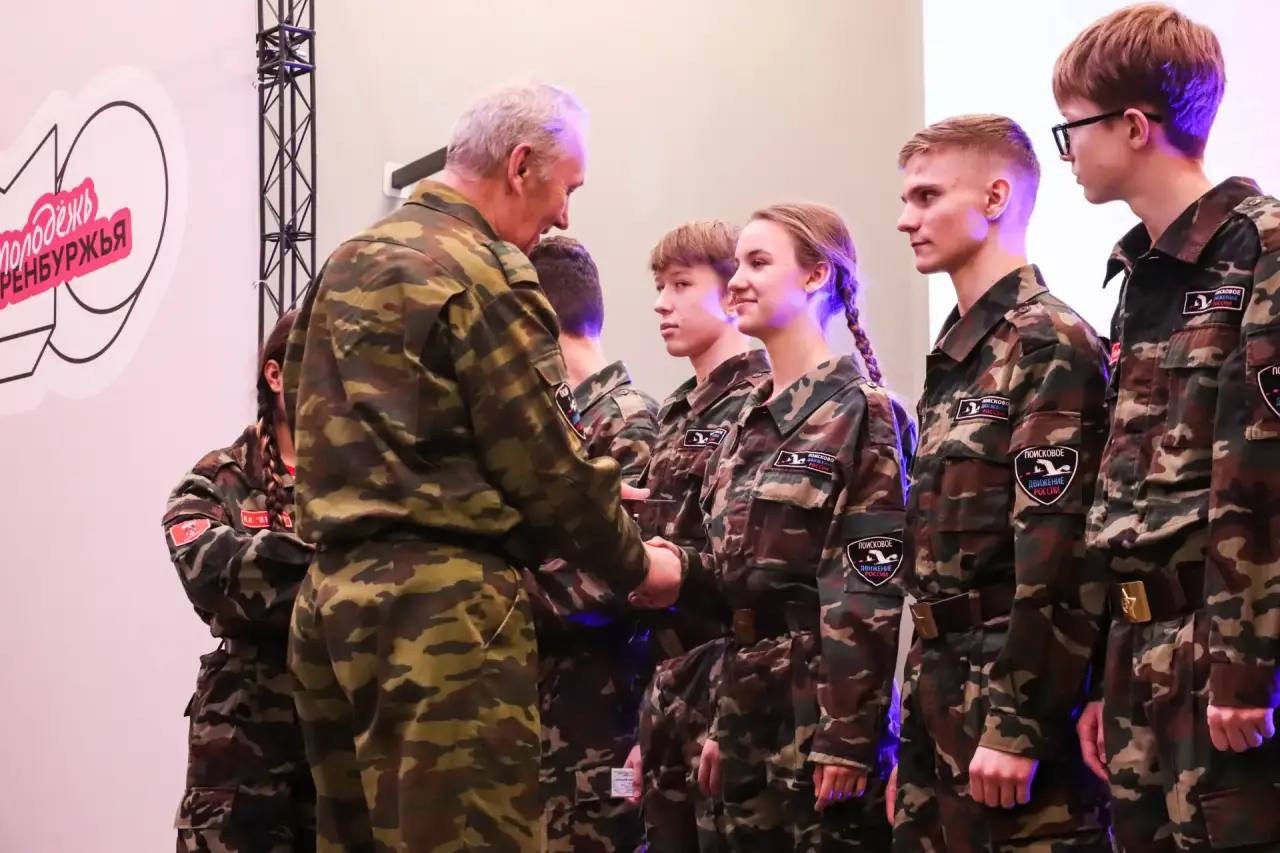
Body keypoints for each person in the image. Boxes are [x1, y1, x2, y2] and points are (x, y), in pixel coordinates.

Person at [281, 81, 683, 851]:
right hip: (441, 615)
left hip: (331, 608)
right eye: (567, 189)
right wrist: (639, 563)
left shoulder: (346, 261)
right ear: (521, 165)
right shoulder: (485, 270)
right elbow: (540, 461)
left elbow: (304, 419)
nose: (564, 217)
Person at [1053, 5, 1280, 850]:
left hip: (1222, 652)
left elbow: (1263, 470)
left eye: (1072, 128)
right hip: (1138, 651)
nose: (1068, 151)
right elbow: (1124, 489)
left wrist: (1247, 664)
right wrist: (1101, 676)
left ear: (1134, 126)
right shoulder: (1140, 274)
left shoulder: (1263, 248)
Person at [646, 203, 913, 850]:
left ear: (817, 275)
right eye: (737, 263)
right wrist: (721, 718)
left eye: (758, 263)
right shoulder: (745, 420)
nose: (737, 280)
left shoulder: (862, 412)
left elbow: (866, 589)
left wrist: (848, 738)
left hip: (816, 718)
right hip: (741, 710)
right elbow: (732, 582)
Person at [891, 115, 1111, 851]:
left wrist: (1019, 723)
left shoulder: (1049, 342)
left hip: (1008, 702)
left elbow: (1057, 552)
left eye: (926, 196)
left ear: (993, 197)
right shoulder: (958, 354)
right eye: (906, 200)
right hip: (938, 696)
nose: (906, 219)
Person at [634, 220, 771, 852]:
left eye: (682, 284)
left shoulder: (759, 401)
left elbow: (748, 562)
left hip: (727, 669)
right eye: (660, 287)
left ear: (730, 290)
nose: (663, 303)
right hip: (668, 674)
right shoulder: (677, 409)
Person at [521, 235, 659, 851]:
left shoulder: (625, 422)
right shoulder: (560, 424)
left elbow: (616, 572)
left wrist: (491, 598)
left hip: (599, 724)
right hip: (548, 717)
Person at [163, 310, 316, 851]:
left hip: (339, 736)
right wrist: (337, 573)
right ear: (275, 375)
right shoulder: (217, 478)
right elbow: (212, 572)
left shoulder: (366, 481)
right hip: (243, 745)